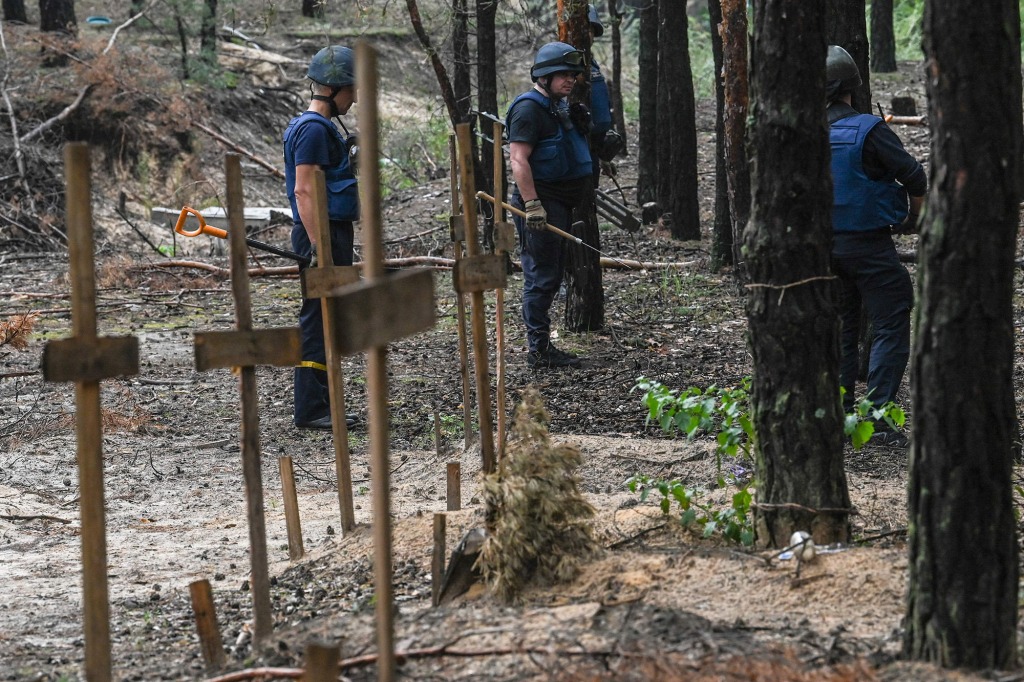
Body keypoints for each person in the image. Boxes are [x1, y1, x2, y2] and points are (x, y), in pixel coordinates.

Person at [827, 45, 926, 444]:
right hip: (869, 246)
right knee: (890, 319)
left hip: (819, 250)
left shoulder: (798, 134)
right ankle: (879, 420)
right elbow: (915, 177)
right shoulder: (869, 129)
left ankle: (839, 414)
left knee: (843, 326)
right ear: (854, 85)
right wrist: (912, 219)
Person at [283, 45, 361, 430]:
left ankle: (324, 404)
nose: (355, 97)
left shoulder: (322, 128)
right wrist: (318, 247)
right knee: (317, 317)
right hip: (321, 236)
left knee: (330, 317)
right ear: (332, 89)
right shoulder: (313, 129)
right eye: (351, 89)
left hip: (329, 233)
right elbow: (304, 190)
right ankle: (312, 410)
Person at [507, 42, 594, 369]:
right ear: (544, 76)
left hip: (560, 202)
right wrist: (532, 205)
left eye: (573, 74)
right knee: (541, 276)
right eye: (563, 74)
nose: (570, 80)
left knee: (551, 274)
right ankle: (538, 351)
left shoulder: (558, 106)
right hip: (541, 203)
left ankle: (542, 347)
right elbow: (518, 160)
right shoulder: (528, 109)